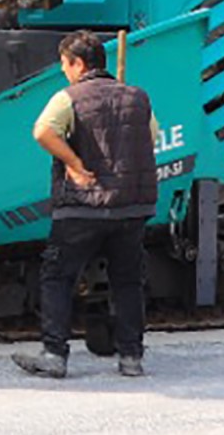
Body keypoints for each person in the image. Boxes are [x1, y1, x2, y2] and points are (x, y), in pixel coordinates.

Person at [13, 29, 160, 380]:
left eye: (65, 64)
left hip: (82, 206)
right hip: (131, 206)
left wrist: (75, 164)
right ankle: (131, 358)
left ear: (78, 64)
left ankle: (54, 354)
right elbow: (151, 137)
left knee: (58, 276)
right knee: (127, 281)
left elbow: (42, 131)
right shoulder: (137, 97)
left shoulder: (68, 98)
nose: (63, 71)